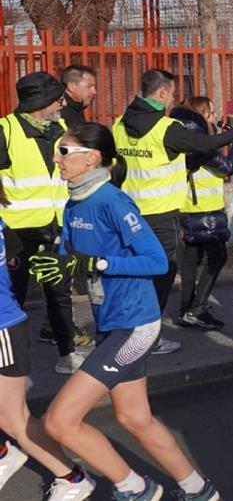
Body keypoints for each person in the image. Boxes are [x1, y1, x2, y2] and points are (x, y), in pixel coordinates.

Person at [39, 122, 220, 500]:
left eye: (64, 152)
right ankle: (199, 490)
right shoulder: (74, 203)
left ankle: (134, 487)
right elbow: (72, 258)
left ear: (93, 158)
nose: (57, 159)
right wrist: (55, 262)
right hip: (110, 323)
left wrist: (98, 265)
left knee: (59, 421)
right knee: (134, 418)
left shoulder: (113, 201)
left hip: (136, 324)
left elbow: (156, 261)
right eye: (57, 151)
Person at [113, 69, 233, 356]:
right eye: (171, 93)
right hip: (162, 216)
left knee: (136, 275)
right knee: (161, 276)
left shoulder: (120, 124)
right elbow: (203, 145)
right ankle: (148, 338)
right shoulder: (165, 128)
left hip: (129, 213)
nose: (173, 99)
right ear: (161, 94)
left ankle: (128, 331)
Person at [0, 210, 96, 499]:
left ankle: (73, 477)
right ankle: (4, 454)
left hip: (3, 329)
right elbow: (14, 247)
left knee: (14, 420)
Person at [0, 72, 85, 374]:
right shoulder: (5, 131)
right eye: (58, 98)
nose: (63, 103)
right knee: (12, 301)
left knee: (60, 294)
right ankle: (9, 365)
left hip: (55, 230)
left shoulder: (62, 129)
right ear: (43, 102)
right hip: (17, 235)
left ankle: (68, 355)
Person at [171, 97, 233, 330]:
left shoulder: (180, 142)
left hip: (186, 209)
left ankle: (187, 309)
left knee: (190, 262)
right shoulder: (201, 146)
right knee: (217, 258)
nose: (214, 118)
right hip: (204, 211)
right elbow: (227, 167)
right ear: (200, 116)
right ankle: (197, 308)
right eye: (210, 113)